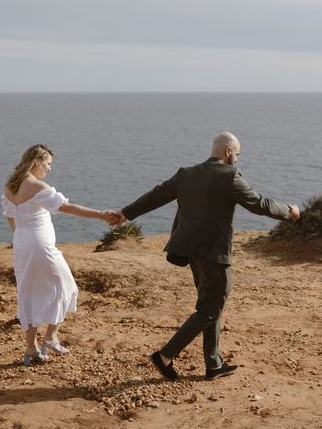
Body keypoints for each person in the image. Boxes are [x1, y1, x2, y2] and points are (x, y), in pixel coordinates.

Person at [115, 132, 301, 381]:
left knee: (210, 306)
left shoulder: (186, 174)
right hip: (215, 254)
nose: (237, 158)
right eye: (237, 153)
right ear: (228, 152)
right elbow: (260, 204)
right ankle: (165, 355)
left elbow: (155, 196)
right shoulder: (230, 176)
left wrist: (125, 214)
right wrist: (289, 211)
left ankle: (213, 364)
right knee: (210, 309)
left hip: (192, 253)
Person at [1, 144, 119, 366]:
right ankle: (51, 336)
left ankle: (30, 349)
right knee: (67, 286)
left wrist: (22, 238)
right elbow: (66, 208)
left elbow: (10, 216)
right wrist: (102, 215)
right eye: (48, 163)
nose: (49, 169)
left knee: (28, 292)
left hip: (21, 243)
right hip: (40, 245)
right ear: (37, 160)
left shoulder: (11, 185)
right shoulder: (37, 186)